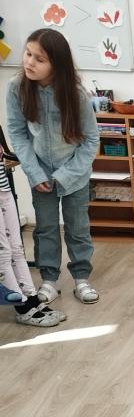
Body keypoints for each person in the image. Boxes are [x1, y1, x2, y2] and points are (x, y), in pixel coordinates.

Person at [6, 28, 99, 305]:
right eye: (28, 54)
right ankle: (49, 280)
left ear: (57, 64)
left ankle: (81, 278)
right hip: (40, 174)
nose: (29, 62)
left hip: (74, 175)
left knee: (77, 228)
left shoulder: (76, 94)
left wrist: (65, 175)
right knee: (45, 229)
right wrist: (35, 173)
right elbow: (17, 133)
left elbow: (91, 140)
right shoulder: (16, 87)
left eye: (39, 59)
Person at [0, 130, 67, 325]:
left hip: (3, 187)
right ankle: (21, 306)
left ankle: (31, 298)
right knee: (3, 252)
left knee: (17, 248)